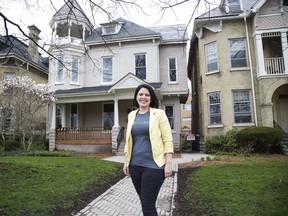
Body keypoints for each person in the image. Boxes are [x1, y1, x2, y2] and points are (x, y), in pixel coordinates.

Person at [123, 84, 174, 216]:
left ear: (151, 98)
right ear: (136, 97)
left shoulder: (159, 114)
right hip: (135, 166)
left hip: (154, 166)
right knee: (146, 202)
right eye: (140, 94)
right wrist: (126, 161)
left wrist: (168, 163)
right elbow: (129, 141)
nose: (143, 97)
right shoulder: (131, 115)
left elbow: (167, 140)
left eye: (147, 95)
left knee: (147, 204)